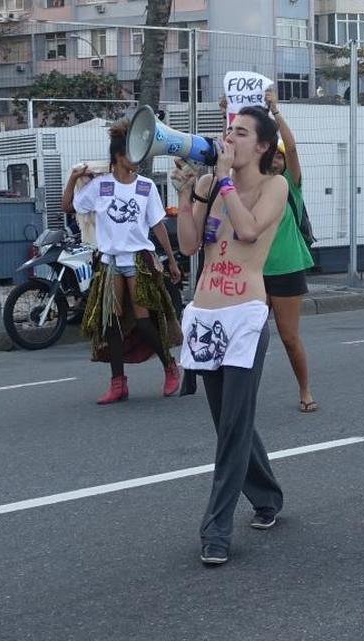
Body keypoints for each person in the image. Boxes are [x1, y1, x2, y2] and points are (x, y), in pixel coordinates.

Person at [172, 106, 289, 566]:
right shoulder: (207, 185)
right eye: (228, 131)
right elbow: (187, 244)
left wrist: (222, 182)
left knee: (235, 425)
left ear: (261, 146)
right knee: (227, 422)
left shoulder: (272, 186)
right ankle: (267, 497)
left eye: (241, 133)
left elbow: (247, 230)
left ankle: (215, 529)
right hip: (205, 314)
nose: (230, 139)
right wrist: (187, 196)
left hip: (245, 314)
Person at [62, 119, 182, 405]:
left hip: (139, 260)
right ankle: (118, 384)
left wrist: (172, 260)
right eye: (132, 154)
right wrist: (73, 178)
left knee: (142, 322)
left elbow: (158, 225)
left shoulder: (146, 187)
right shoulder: (100, 186)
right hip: (110, 261)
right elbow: (68, 206)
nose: (137, 159)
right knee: (111, 324)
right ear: (118, 157)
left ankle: (169, 366)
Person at [262, 88, 318, 413]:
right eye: (273, 154)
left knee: (288, 336)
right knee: (249, 337)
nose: (278, 158)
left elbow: (292, 147)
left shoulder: (290, 185)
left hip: (286, 267)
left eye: (281, 156)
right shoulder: (251, 184)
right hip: (254, 270)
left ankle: (305, 390)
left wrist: (275, 111)